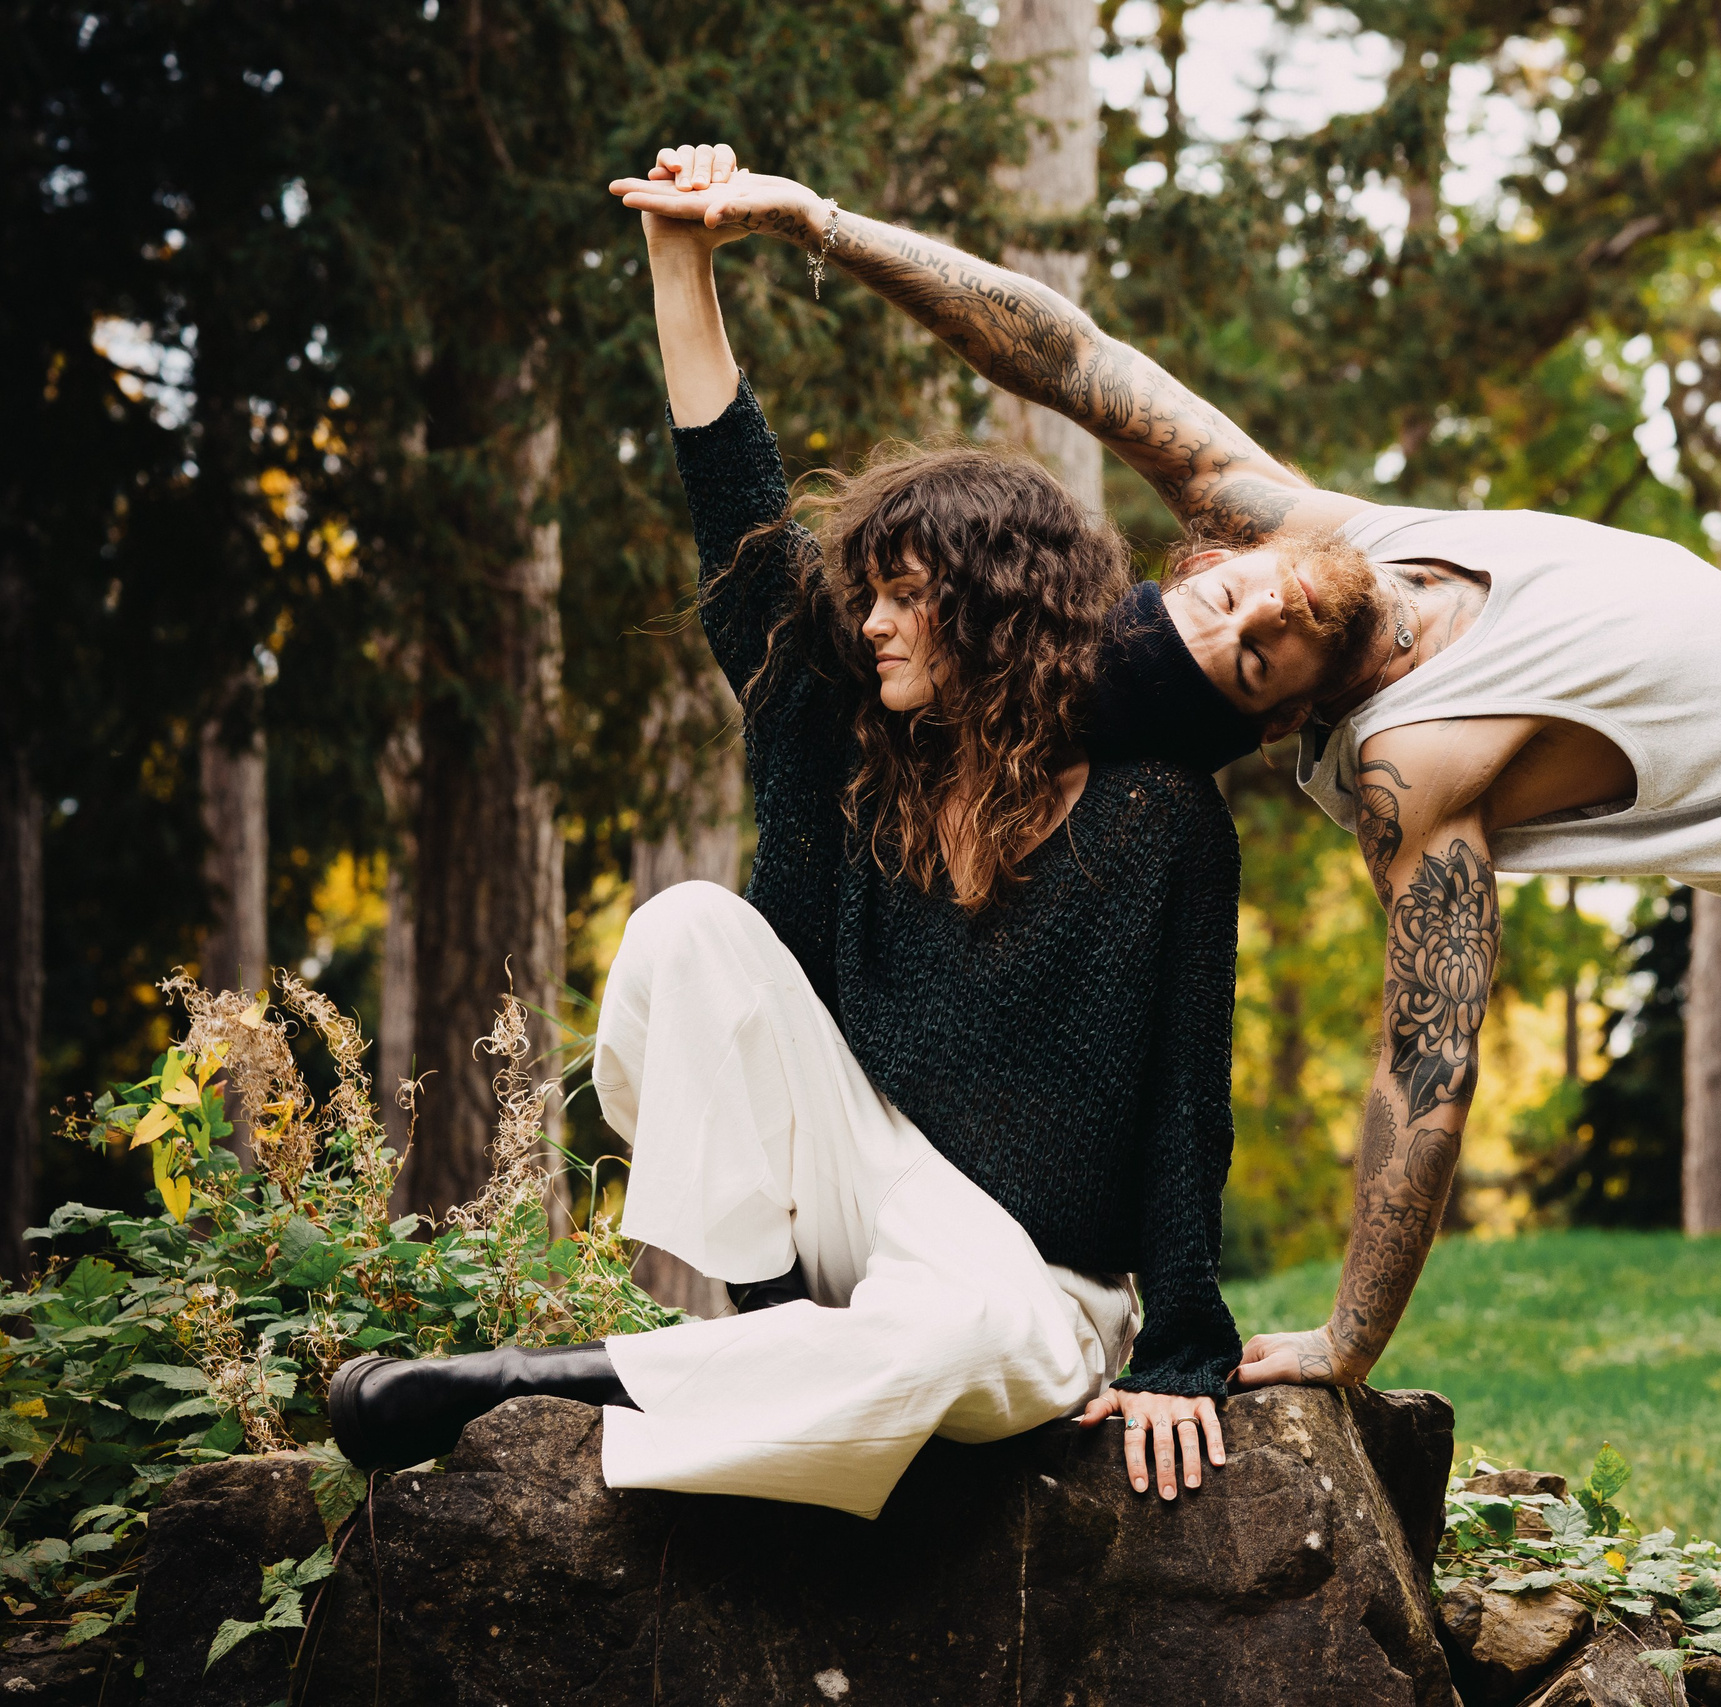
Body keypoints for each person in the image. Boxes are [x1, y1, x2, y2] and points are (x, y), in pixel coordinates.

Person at [614, 144, 1721, 1706]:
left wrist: (815, 226)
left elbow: (1060, 351)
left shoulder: (1315, 528)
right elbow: (1426, 1073)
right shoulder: (1405, 764)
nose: (1251, 604)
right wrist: (1351, 1337)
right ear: (1273, 716)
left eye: (1221, 591)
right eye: (1245, 654)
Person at [326, 160, 1256, 1517]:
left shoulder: (1161, 817)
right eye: (866, 595)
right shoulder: (847, 743)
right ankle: (763, 1329)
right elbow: (736, 503)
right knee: (689, 928)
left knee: (963, 1347)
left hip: (1021, 1279)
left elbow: (1186, 1104)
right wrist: (680, 256)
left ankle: (584, 1378)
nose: (871, 621)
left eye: (905, 596)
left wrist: (1181, 1347)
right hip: (851, 1181)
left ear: (999, 607)